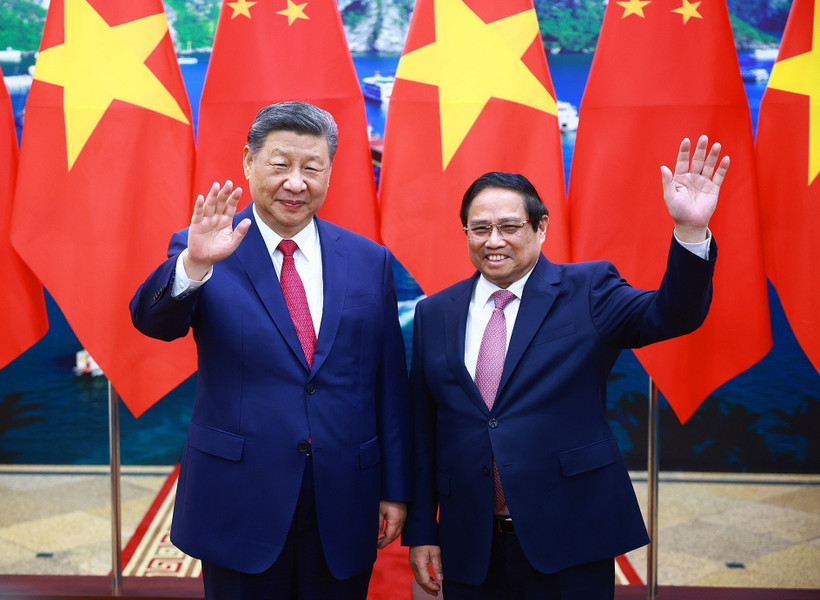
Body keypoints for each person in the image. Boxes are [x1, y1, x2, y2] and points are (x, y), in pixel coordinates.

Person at [403, 135, 729, 599]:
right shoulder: (435, 312)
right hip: (469, 543)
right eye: (480, 229)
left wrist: (691, 232)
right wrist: (423, 530)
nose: (494, 240)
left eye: (510, 226)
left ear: (541, 228)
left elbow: (672, 314)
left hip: (570, 534)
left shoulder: (589, 289)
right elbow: (423, 431)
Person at [130, 101, 412, 600]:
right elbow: (154, 323)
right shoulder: (207, 246)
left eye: (312, 168)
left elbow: (387, 383)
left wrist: (394, 487)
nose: (296, 182)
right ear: (249, 162)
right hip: (240, 496)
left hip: (345, 496)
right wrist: (195, 264)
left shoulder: (371, 261)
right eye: (280, 164)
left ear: (329, 171)